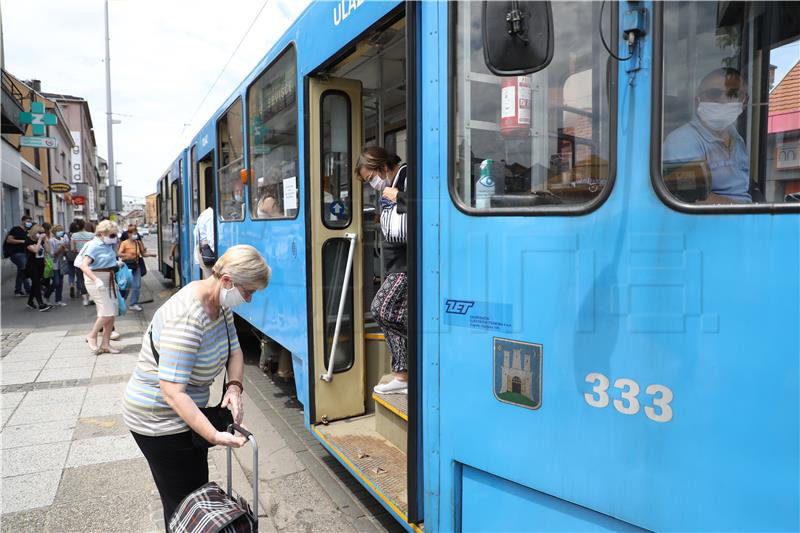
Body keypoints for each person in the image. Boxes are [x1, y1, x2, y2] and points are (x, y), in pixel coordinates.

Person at [122, 244, 271, 525]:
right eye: (248, 291)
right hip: (159, 422)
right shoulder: (188, 318)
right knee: (186, 508)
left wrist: (234, 388)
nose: (249, 299)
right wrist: (214, 436)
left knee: (195, 499)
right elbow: (173, 393)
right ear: (227, 281)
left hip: (187, 413)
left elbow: (235, 352)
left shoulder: (219, 302)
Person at [355, 146, 409, 394]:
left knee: (381, 309)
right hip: (395, 265)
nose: (372, 184)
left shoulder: (408, 176)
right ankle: (403, 374)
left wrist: (398, 196)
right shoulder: (391, 185)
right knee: (393, 314)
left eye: (371, 177)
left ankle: (404, 373)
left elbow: (429, 203)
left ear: (383, 166)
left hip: (407, 265)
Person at [663, 67, 751, 204]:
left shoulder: (737, 138)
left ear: (744, 101)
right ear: (698, 101)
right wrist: (747, 213)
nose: (724, 100)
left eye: (733, 94)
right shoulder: (682, 140)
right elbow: (695, 199)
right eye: (714, 94)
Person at [79, 220, 122, 354]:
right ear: (102, 233)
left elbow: (104, 260)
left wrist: (116, 263)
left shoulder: (108, 245)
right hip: (96, 280)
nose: (114, 238)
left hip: (108, 278)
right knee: (107, 311)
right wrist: (96, 280)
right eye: (112, 235)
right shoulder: (93, 245)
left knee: (112, 311)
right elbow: (83, 265)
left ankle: (105, 344)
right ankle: (91, 335)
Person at [118, 223, 153, 312]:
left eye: (135, 232)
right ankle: (121, 301)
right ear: (128, 234)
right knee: (125, 285)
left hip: (136, 266)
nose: (134, 234)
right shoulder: (124, 243)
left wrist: (151, 255)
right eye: (131, 232)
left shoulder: (138, 243)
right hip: (126, 267)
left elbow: (143, 254)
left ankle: (133, 304)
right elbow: (119, 253)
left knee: (137, 286)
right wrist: (127, 254)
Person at [24, 224, 53, 312]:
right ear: (35, 232)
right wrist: (40, 240)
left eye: (43, 232)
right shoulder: (28, 240)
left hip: (41, 264)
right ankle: (41, 304)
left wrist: (46, 240)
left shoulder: (42, 240)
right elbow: (35, 250)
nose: (41, 234)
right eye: (39, 232)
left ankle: (30, 302)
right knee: (37, 283)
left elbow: (48, 251)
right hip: (32, 265)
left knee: (35, 284)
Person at [5, 215, 33, 297]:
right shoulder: (15, 229)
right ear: (23, 221)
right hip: (16, 253)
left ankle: (18, 290)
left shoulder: (27, 231)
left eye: (30, 222)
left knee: (21, 271)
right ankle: (28, 289)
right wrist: (22, 241)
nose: (29, 223)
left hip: (25, 254)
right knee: (23, 268)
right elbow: (9, 240)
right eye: (28, 221)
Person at [44, 224, 69, 307]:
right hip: (54, 263)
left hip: (62, 263)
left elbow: (66, 251)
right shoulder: (52, 241)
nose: (60, 232)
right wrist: (60, 249)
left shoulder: (63, 239)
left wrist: (65, 250)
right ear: (54, 232)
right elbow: (52, 254)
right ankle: (46, 295)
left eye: (61, 230)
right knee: (56, 282)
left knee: (60, 283)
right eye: (58, 231)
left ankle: (58, 300)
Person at [71, 220, 95, 306]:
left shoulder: (74, 236)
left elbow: (73, 249)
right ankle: (91, 297)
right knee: (91, 278)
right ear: (84, 225)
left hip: (80, 260)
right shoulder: (92, 235)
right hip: (91, 260)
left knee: (81, 280)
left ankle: (85, 300)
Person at [193, 206, 215, 278]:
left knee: (208, 279)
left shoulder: (204, 214)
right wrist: (218, 254)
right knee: (212, 282)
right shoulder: (211, 215)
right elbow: (211, 239)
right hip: (208, 252)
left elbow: (195, 234)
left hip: (202, 251)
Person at [66, 220, 81, 298]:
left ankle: (71, 285)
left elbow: (65, 244)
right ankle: (78, 290)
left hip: (69, 256)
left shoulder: (67, 235)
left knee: (71, 273)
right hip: (78, 256)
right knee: (79, 274)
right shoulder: (78, 235)